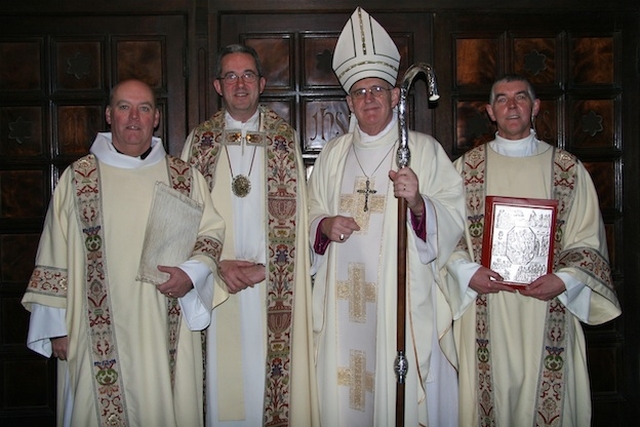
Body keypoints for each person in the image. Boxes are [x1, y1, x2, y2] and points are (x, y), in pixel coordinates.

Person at [21, 79, 227, 426]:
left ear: (156, 118)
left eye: (144, 108)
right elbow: (54, 252)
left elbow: (211, 236)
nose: (134, 117)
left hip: (163, 327)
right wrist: (57, 327)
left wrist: (190, 276)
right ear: (108, 114)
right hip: (91, 333)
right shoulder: (79, 180)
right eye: (123, 107)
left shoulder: (184, 177)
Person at [307, 7, 466, 426]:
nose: (369, 99)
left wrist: (418, 204)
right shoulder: (332, 155)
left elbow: (453, 221)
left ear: (396, 96)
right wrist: (322, 225)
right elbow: (306, 213)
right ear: (348, 102)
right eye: (360, 92)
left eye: (378, 89)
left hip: (400, 302)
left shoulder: (423, 151)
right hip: (342, 307)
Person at [446, 74, 622, 426]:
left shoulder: (567, 171)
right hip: (485, 305)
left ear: (536, 106)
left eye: (520, 98)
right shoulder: (465, 171)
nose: (512, 106)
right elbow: (444, 239)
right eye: (502, 99)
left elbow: (588, 242)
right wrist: (469, 272)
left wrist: (564, 279)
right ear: (490, 112)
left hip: (550, 307)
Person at [181, 44, 319, 427]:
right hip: (217, 283)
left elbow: (302, 215)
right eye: (230, 76)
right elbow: (186, 218)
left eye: (247, 76)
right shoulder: (200, 142)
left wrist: (268, 269)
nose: (239, 84)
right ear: (217, 86)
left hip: (272, 285)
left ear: (260, 84)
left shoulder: (283, 139)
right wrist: (216, 265)